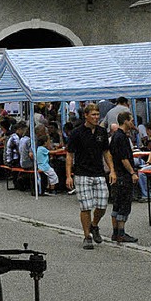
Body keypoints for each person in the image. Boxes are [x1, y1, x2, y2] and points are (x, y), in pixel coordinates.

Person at [65, 103, 116, 249]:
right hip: (82, 173)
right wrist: (69, 175)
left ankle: (94, 225)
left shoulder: (101, 132)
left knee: (102, 205)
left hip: (99, 172)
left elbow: (106, 152)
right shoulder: (77, 133)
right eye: (93, 115)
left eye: (97, 114)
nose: (96, 117)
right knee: (85, 207)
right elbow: (69, 155)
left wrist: (112, 170)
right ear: (86, 116)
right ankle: (87, 236)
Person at [109, 111, 139, 244]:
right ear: (125, 121)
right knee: (124, 204)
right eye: (131, 120)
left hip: (117, 173)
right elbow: (124, 158)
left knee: (117, 203)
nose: (132, 122)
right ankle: (121, 233)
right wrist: (132, 172)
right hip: (123, 174)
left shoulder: (115, 136)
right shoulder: (122, 137)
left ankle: (115, 232)